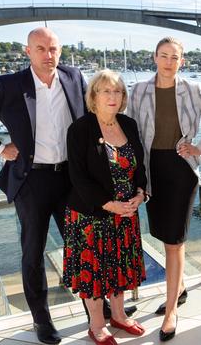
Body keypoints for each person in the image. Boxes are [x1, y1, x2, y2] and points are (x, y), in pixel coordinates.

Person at [0, 27, 135, 344]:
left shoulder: (73, 77)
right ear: (28, 52)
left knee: (85, 248)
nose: (48, 55)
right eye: (41, 48)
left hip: (71, 178)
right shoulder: (8, 85)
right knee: (33, 252)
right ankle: (42, 321)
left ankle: (95, 315)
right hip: (32, 180)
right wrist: (0, 149)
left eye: (53, 48)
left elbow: (91, 119)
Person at [126, 36, 201, 341]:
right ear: (154, 57)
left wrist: (199, 147)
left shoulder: (193, 89)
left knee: (173, 241)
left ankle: (171, 311)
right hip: (151, 170)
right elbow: (130, 131)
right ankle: (182, 288)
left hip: (181, 168)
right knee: (165, 235)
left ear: (182, 61)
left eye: (174, 57)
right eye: (163, 56)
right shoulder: (138, 91)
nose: (168, 62)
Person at [63, 70, 147, 345]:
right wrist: (110, 205)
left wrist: (140, 193)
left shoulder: (129, 124)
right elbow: (77, 176)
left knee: (120, 267)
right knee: (95, 271)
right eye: (106, 91)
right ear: (94, 96)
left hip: (126, 214)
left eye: (118, 91)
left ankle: (120, 316)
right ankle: (96, 324)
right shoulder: (80, 129)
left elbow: (140, 166)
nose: (113, 97)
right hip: (92, 215)